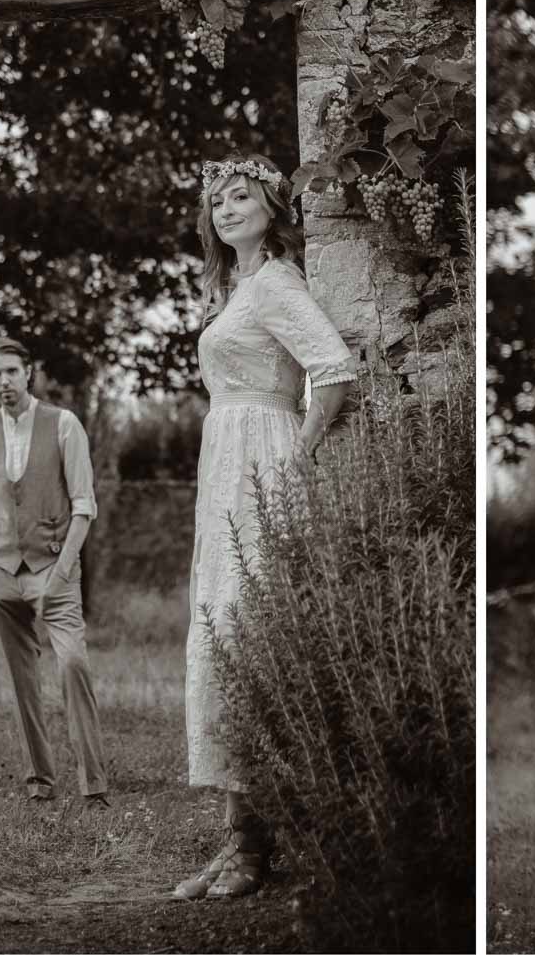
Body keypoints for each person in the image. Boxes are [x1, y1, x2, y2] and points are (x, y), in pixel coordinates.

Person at [171, 154, 356, 901]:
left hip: (262, 460)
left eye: (240, 196)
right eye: (217, 200)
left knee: (247, 632)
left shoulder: (276, 281)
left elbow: (333, 371)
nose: (225, 209)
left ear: (273, 208)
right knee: (221, 633)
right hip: (225, 462)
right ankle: (235, 838)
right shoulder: (233, 287)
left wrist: (293, 456)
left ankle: (254, 846)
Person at [0, 336, 109, 808]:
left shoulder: (64, 425)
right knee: (22, 680)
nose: (4, 381)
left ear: (29, 372)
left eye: (11, 371)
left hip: (55, 565)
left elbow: (84, 507)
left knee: (73, 663)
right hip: (2, 570)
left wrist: (63, 572)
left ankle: (94, 784)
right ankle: (39, 781)